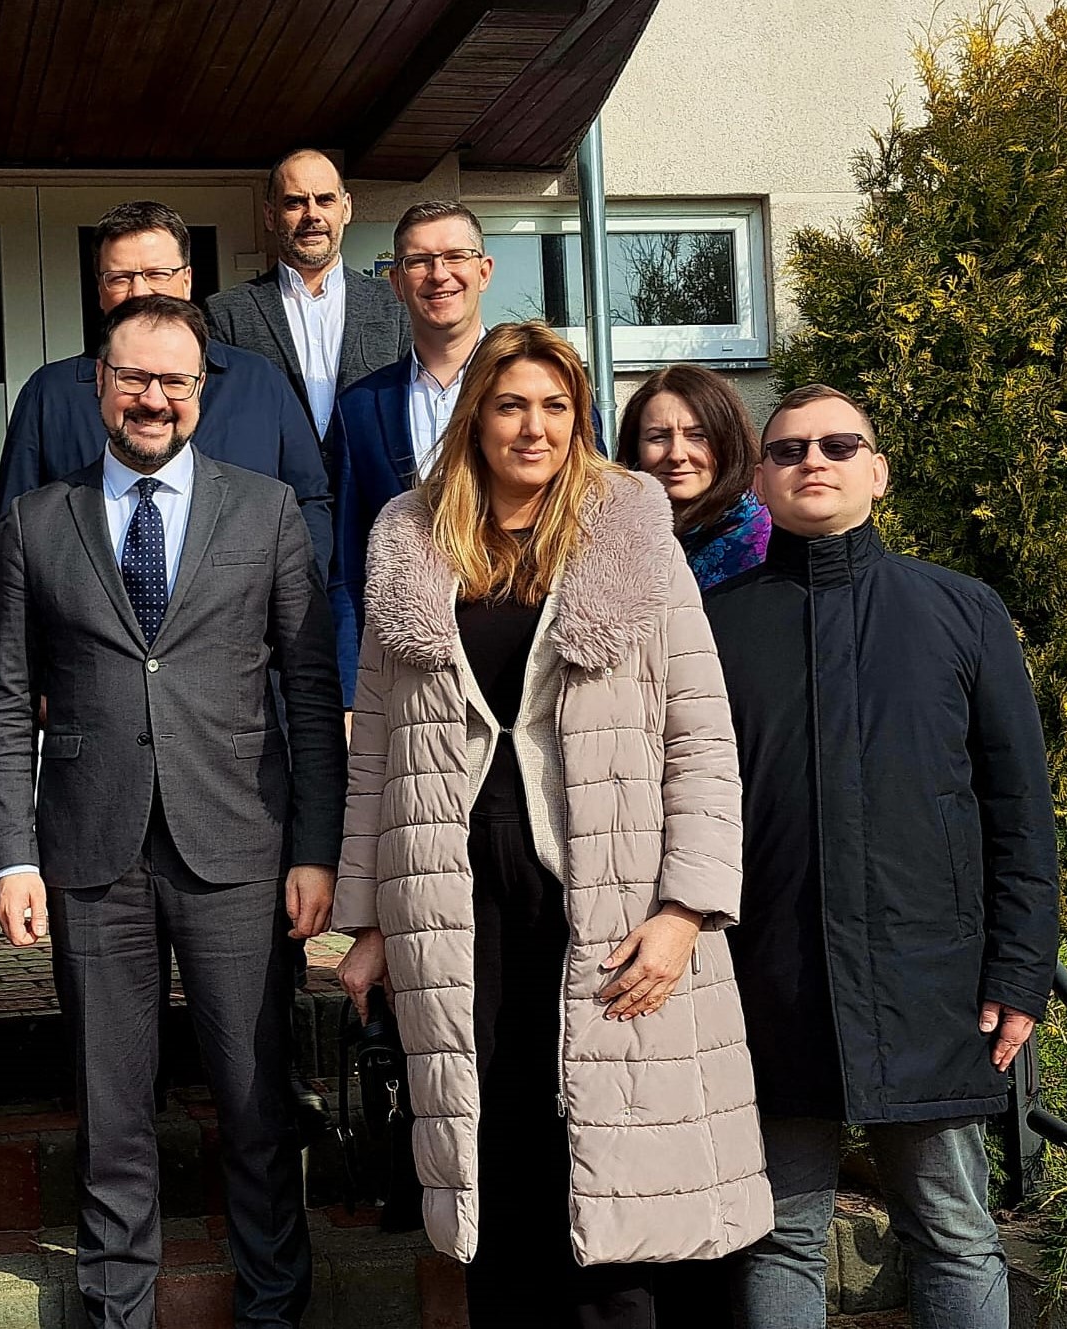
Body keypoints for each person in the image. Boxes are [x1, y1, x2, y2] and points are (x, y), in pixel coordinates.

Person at [332, 321, 771, 1328]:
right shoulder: (409, 539)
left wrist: (687, 909)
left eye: (555, 406)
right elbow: (375, 751)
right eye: (510, 405)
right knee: (490, 1157)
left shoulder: (628, 530)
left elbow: (701, 736)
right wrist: (368, 919)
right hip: (453, 903)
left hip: (611, 897)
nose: (533, 428)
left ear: (577, 419)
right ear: (474, 417)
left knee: (612, 1170)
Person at [0, 295, 345, 1329]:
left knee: (256, 1102)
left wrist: (315, 848)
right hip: (90, 852)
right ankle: (117, 1310)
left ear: (199, 391)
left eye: (173, 380)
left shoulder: (265, 510)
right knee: (110, 1113)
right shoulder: (34, 521)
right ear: (100, 384)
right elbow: (7, 700)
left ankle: (273, 1309)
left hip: (238, 843)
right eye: (133, 377)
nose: (152, 398)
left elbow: (309, 692)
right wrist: (12, 856)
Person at [706, 384, 1058, 1329]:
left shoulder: (961, 610)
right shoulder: (711, 625)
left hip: (930, 979)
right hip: (769, 978)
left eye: (837, 444)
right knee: (778, 1235)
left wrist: (1020, 969)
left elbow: (1018, 810)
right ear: (759, 480)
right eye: (787, 449)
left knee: (953, 1232)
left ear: (877, 471)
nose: (812, 461)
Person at [0, 200, 333, 575]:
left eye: (157, 274)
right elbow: (13, 528)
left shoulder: (259, 382)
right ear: (100, 289)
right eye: (120, 278)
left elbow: (309, 500)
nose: (140, 292)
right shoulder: (49, 394)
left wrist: (293, 593)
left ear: (187, 281)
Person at [327, 200, 495, 703]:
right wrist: (351, 694)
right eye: (418, 261)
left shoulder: (545, 390)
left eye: (455, 256)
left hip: (526, 657)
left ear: (484, 271)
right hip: (409, 675)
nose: (438, 274)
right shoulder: (359, 408)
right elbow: (347, 563)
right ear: (397, 283)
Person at [205, 148, 410, 453]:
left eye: (325, 200)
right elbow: (222, 424)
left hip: (373, 483)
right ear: (270, 215)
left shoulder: (396, 304)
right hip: (274, 483)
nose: (312, 214)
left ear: (346, 208)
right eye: (295, 202)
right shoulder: (228, 313)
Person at [616, 363, 769, 589]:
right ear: (635, 448)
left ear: (728, 443)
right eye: (658, 437)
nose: (677, 455)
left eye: (697, 436)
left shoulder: (768, 545)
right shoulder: (613, 538)